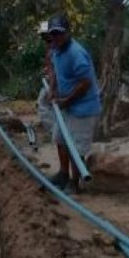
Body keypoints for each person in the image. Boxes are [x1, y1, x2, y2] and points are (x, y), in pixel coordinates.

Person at [47, 15, 101, 193]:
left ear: (68, 32)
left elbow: (85, 83)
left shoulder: (76, 53)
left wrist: (66, 100)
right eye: (53, 34)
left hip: (83, 108)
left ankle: (75, 183)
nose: (56, 37)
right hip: (67, 106)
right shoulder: (56, 49)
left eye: (59, 33)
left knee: (76, 149)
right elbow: (54, 70)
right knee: (60, 139)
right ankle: (63, 173)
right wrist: (53, 90)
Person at [35, 20, 56, 140]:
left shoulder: (55, 45)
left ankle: (55, 131)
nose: (43, 37)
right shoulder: (50, 45)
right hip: (50, 80)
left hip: (53, 82)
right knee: (49, 106)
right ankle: (56, 131)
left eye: (44, 34)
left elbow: (55, 67)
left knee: (42, 104)